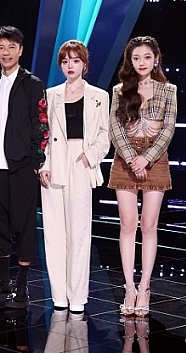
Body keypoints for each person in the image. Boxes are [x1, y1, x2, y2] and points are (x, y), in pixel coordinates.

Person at [0, 26, 48, 309]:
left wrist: (36, 160)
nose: (6, 52)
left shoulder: (32, 84)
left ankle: (21, 285)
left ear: (20, 50)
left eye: (11, 47)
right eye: (1, 48)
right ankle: (3, 281)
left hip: (21, 165)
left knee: (24, 224)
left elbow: (40, 123)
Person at [39, 40, 110, 318]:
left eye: (76, 61)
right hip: (54, 163)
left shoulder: (99, 96)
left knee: (79, 234)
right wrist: (43, 164)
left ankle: (78, 297)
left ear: (85, 64)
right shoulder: (50, 95)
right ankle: (59, 296)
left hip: (81, 162)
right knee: (53, 234)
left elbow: (104, 134)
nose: (70, 66)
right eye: (66, 61)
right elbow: (43, 135)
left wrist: (90, 155)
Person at [108, 36, 176, 317]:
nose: (142, 62)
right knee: (127, 224)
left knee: (148, 225)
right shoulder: (120, 90)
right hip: (125, 159)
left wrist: (146, 158)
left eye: (147, 57)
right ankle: (128, 287)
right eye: (136, 58)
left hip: (155, 159)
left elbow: (168, 128)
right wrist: (131, 159)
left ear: (156, 58)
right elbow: (115, 127)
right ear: (130, 61)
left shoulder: (168, 90)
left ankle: (145, 287)